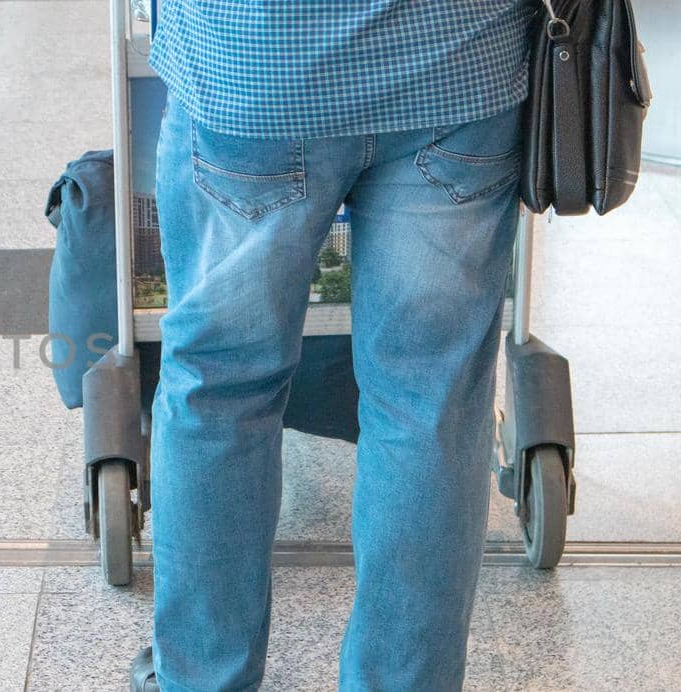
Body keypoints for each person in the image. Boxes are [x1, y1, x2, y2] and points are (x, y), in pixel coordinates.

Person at [131, 1, 536, 690]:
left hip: (253, 67)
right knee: (428, 406)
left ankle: (204, 677)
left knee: (220, 390)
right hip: (458, 65)